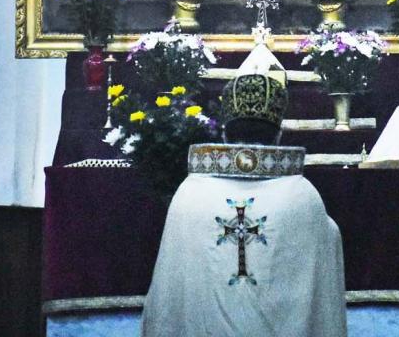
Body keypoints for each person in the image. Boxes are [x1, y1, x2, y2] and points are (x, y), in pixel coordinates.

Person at [141, 73, 346, 337]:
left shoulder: (190, 193)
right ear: (279, 134)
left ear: (226, 133)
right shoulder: (303, 196)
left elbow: (170, 295)